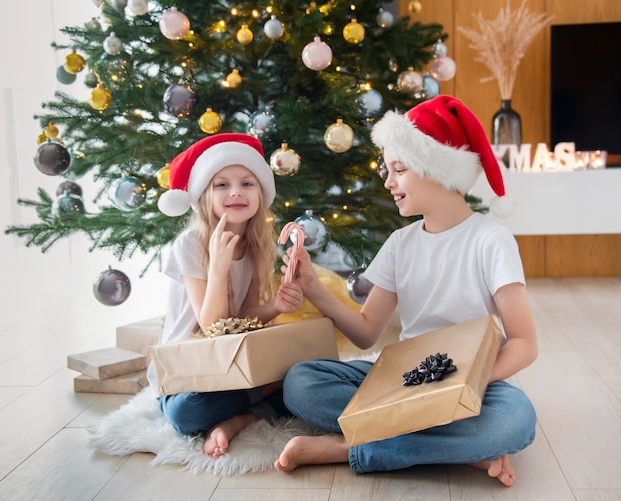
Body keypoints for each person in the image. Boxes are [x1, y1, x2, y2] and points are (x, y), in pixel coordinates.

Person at [275, 95, 538, 487]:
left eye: (399, 169)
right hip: (402, 378)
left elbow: (524, 343)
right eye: (388, 169)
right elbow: (366, 333)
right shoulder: (401, 242)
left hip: (476, 380)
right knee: (301, 382)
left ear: (438, 169)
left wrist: (465, 388)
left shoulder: (491, 241)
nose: (388, 180)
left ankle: (347, 448)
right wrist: (312, 285)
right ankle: (459, 449)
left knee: (514, 421)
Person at [148, 133, 303, 458]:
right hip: (188, 375)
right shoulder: (190, 243)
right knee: (186, 414)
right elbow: (213, 325)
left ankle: (239, 419)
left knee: (303, 374)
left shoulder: (258, 245)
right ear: (205, 195)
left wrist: (275, 306)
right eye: (222, 185)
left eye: (247, 183)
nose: (235, 191)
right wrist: (218, 268)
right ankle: (255, 407)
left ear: (261, 193)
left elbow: (242, 321)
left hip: (230, 366)